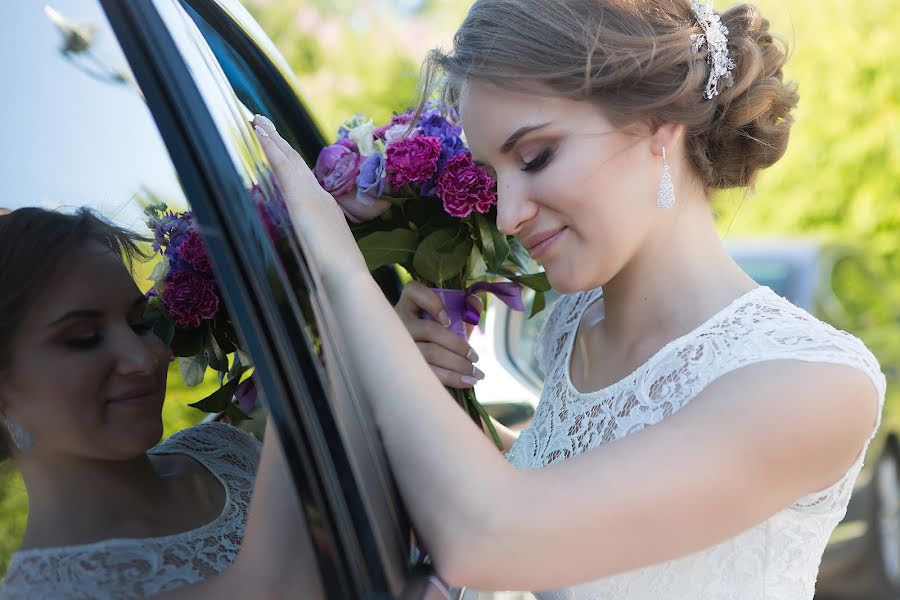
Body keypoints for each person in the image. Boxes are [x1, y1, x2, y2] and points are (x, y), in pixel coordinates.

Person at [250, 0, 886, 597]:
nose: (506, 216)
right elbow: (574, 484)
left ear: (658, 123)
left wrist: (342, 272)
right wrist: (426, 390)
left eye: (535, 157)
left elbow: (495, 535)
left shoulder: (812, 384)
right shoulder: (573, 328)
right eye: (491, 173)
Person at [0, 207, 323, 599]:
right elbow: (273, 586)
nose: (144, 359)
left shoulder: (225, 451)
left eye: (141, 324)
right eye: (83, 337)